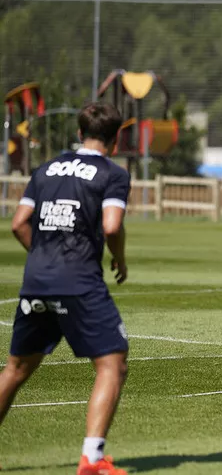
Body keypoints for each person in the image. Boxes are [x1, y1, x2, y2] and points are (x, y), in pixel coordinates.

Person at [0, 103, 131, 475]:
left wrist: (44, 256)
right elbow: (110, 226)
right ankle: (91, 457)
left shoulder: (45, 169)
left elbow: (18, 224)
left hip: (36, 278)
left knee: (16, 369)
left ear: (79, 134)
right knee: (113, 363)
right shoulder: (111, 173)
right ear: (116, 138)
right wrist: (119, 259)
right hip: (79, 281)